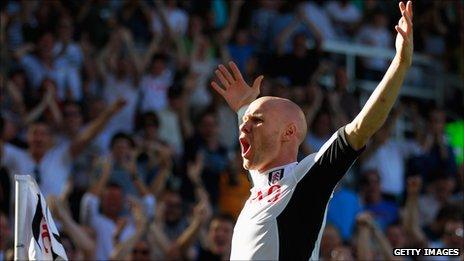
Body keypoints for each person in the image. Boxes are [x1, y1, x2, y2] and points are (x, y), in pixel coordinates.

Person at [210, 1, 414, 259]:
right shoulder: (262, 184)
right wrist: (243, 107)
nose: (244, 127)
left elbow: (363, 126)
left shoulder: (305, 179)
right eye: (244, 122)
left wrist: (399, 64)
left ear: (288, 133)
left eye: (256, 121)